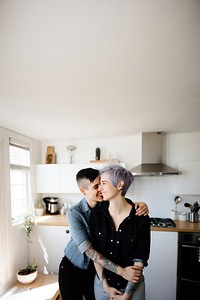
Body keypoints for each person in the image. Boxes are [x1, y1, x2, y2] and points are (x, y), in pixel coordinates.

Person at [58, 167, 149, 300]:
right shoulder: (75, 213)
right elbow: (90, 252)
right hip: (74, 267)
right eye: (96, 186)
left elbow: (120, 202)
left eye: (102, 183)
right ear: (83, 191)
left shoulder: (105, 206)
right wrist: (122, 272)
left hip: (96, 270)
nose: (100, 189)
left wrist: (138, 205)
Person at [89, 165, 151, 300]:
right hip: (103, 288)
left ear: (120, 185)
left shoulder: (141, 218)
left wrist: (126, 296)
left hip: (133, 289)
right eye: (99, 184)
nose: (99, 188)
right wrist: (105, 286)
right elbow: (95, 255)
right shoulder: (96, 215)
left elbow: (139, 262)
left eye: (103, 183)